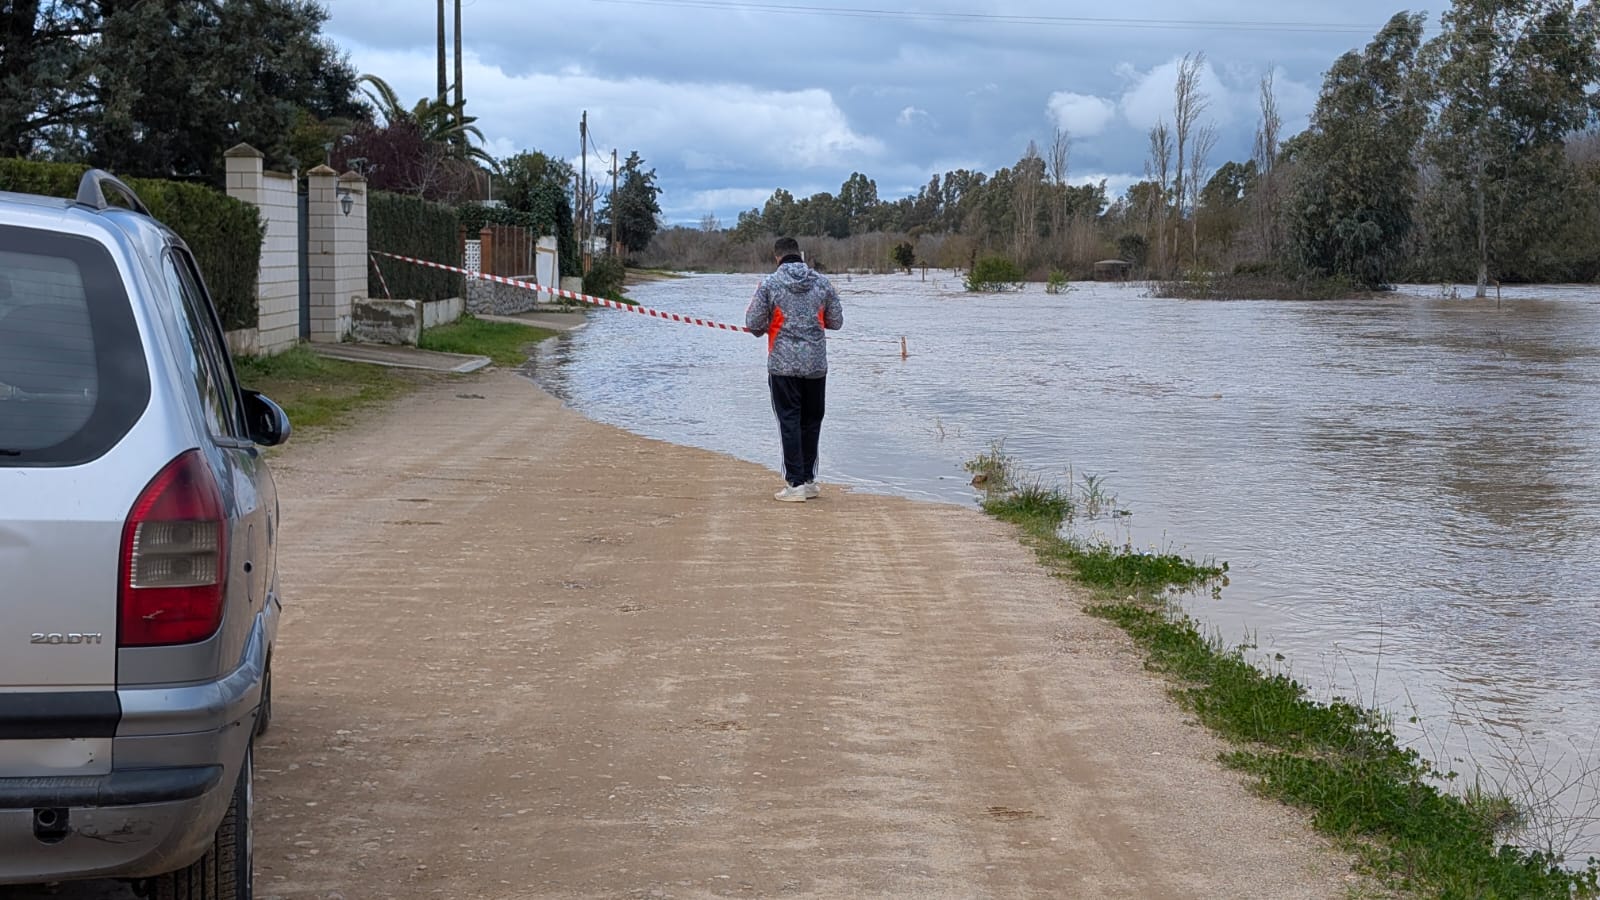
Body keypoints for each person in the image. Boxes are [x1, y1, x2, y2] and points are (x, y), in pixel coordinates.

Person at [745, 236, 844, 502]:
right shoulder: (823, 283)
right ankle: (809, 480)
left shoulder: (769, 284)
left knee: (789, 421)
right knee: (811, 422)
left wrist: (770, 324)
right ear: (799, 254)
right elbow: (836, 321)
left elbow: (753, 323)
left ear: (777, 256)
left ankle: (795, 483)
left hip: (782, 365)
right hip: (815, 365)